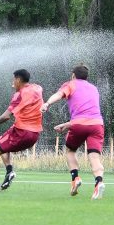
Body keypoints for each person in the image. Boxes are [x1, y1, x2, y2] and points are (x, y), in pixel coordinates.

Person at [41, 64, 106, 199]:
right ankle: (99, 182)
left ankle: (75, 178)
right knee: (94, 156)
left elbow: (59, 95)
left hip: (78, 124)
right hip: (97, 125)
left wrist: (47, 103)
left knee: (70, 150)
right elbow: (89, 113)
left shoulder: (71, 84)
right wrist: (67, 124)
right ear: (87, 77)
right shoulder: (94, 89)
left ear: (73, 75)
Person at [0, 69, 43, 193]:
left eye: (14, 79)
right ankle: (9, 172)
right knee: (2, 146)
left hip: (22, 131)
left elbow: (6, 116)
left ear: (18, 80)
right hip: (35, 134)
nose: (12, 82)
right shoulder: (37, 88)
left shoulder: (19, 94)